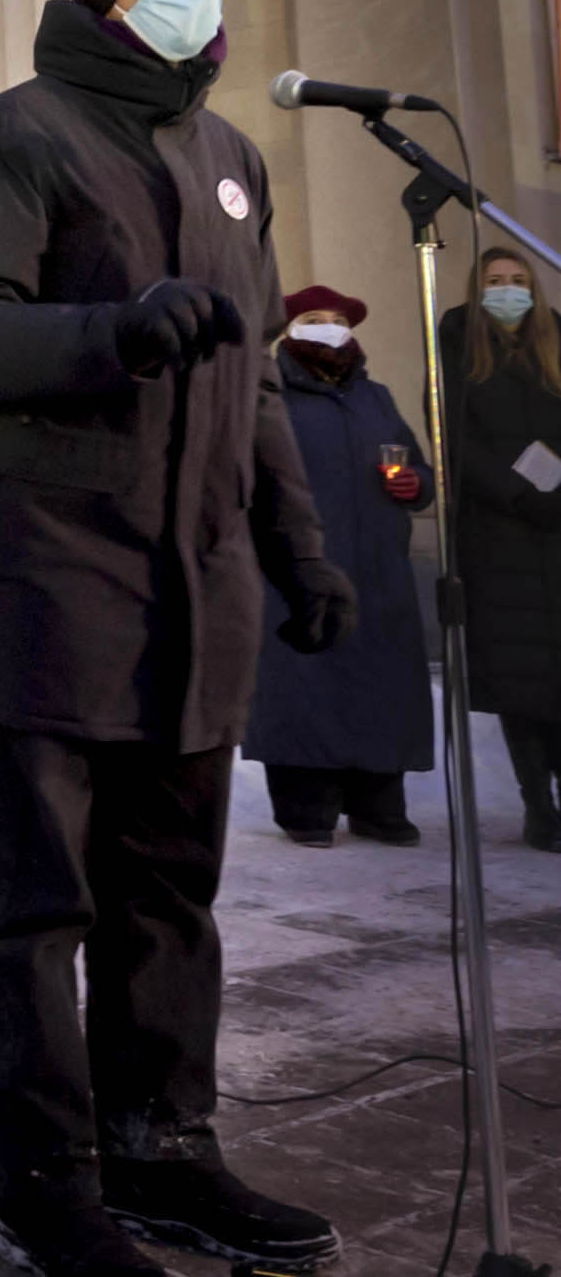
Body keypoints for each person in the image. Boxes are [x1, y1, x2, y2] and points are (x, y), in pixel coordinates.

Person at [0, 0, 353, 1277]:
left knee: (171, 905)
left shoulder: (233, 157)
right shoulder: (17, 136)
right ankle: (47, 1185)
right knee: (42, 911)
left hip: (195, 600)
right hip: (52, 590)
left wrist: (300, 549)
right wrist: (114, 331)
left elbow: (259, 387)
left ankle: (162, 1148)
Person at [245, 285, 433, 847]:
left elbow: (417, 473)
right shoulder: (267, 394)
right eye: (311, 318)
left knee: (382, 687)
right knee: (305, 686)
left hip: (379, 569)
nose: (326, 326)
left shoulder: (376, 398)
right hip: (298, 567)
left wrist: (412, 484)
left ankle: (379, 807)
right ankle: (307, 808)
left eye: (335, 319)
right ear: (289, 328)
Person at [443, 246, 561, 850]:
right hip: (500, 535)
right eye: (495, 282)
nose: (508, 291)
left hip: (558, 530)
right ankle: (539, 806)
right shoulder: (460, 340)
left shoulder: (555, 339)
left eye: (518, 281)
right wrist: (518, 494)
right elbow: (455, 436)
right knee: (523, 682)